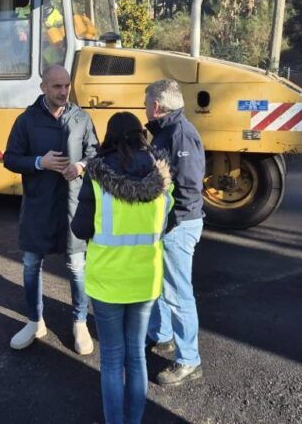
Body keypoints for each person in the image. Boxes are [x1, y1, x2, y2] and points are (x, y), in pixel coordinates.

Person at [71, 112, 173, 424]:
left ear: (110, 136)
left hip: (107, 281)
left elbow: (80, 228)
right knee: (137, 355)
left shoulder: (98, 175)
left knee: (113, 359)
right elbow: (168, 223)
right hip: (145, 279)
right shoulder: (162, 175)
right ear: (140, 134)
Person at [3, 64, 99, 354]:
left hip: (73, 206)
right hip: (38, 206)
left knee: (77, 267)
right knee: (32, 265)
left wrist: (80, 166)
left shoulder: (81, 119)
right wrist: (38, 163)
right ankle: (35, 321)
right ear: (43, 87)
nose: (63, 91)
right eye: (56, 86)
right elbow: (10, 158)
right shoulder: (26, 121)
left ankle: (80, 322)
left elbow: (96, 153)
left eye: (66, 85)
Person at [144, 79, 206, 386]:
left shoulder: (180, 134)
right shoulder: (167, 131)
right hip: (169, 223)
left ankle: (188, 360)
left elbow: (190, 186)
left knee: (179, 293)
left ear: (156, 106)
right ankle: (163, 335)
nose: (144, 108)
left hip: (179, 224)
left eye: (146, 103)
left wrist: (171, 220)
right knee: (163, 284)